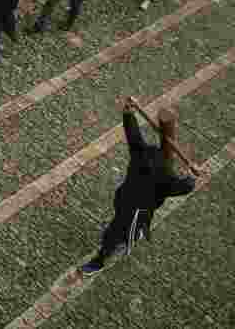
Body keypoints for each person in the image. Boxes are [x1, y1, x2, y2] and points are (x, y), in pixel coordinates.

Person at [80, 99, 196, 276]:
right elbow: (185, 186)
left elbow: (133, 134)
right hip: (126, 200)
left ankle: (99, 261)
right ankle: (129, 235)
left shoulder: (144, 155)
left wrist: (128, 113)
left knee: (113, 235)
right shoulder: (163, 173)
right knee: (119, 223)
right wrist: (192, 176)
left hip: (134, 211)